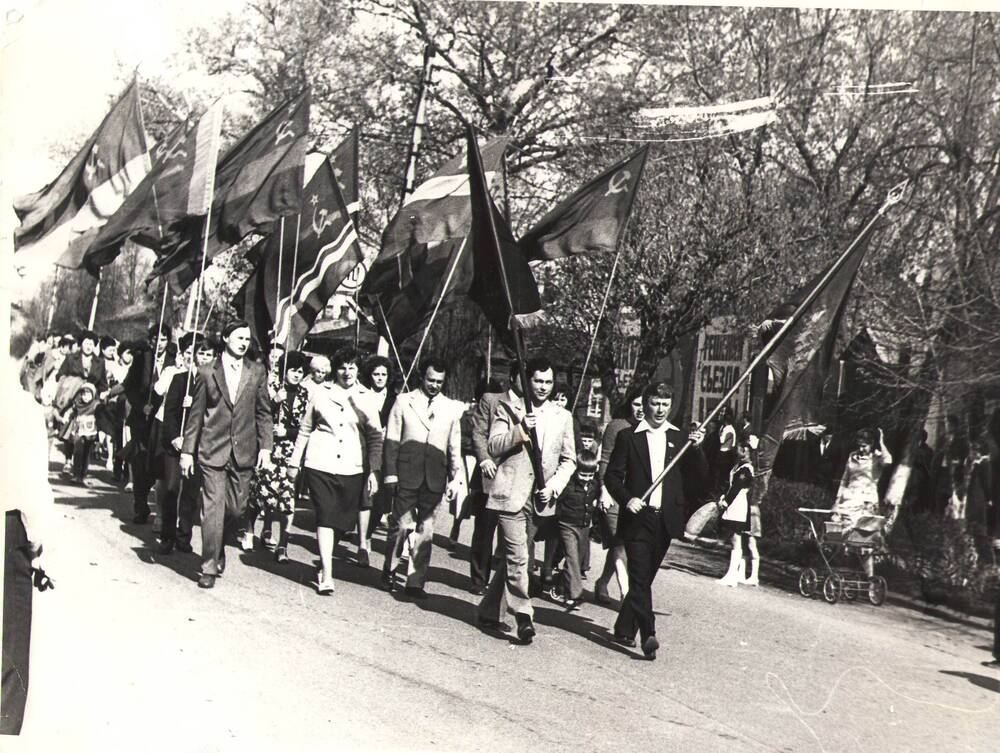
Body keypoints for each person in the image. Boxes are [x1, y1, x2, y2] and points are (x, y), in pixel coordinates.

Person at [477, 357, 576, 644]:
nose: (543, 387)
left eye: (548, 382)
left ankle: (488, 610)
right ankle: (523, 615)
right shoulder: (509, 408)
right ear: (527, 380)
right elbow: (493, 445)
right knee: (519, 556)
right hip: (510, 494)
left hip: (540, 499)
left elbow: (569, 460)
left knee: (515, 557)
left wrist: (555, 487)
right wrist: (519, 431)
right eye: (537, 381)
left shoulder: (563, 416)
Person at [604, 381, 707, 660]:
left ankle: (625, 627)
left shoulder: (680, 437)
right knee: (638, 575)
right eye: (655, 403)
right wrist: (627, 498)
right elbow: (612, 476)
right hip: (638, 517)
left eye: (665, 404)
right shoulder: (629, 437)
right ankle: (648, 633)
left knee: (644, 577)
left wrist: (697, 449)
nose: (660, 409)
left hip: (665, 520)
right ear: (645, 403)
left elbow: (698, 479)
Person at [180, 320, 273, 589]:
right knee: (212, 509)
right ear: (226, 338)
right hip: (212, 450)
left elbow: (264, 413)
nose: (244, 342)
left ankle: (218, 545)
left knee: (236, 509)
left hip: (243, 452)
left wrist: (266, 447)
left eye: (247, 338)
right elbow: (196, 416)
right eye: (239, 337)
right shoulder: (208, 372)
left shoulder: (256, 371)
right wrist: (188, 451)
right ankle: (208, 566)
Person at [288, 348, 382, 594]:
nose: (347, 372)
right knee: (326, 516)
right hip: (320, 463)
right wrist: (294, 462)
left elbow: (375, 438)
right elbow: (305, 429)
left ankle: (326, 558)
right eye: (342, 367)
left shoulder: (366, 398)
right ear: (335, 370)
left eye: (352, 367)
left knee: (342, 520)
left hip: (353, 466)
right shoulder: (320, 393)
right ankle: (327, 574)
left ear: (358, 370)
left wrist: (374, 471)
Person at [1, 358, 54, 736]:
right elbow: (33, 481)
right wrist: (37, 538)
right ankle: (3, 718)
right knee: (12, 628)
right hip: (9, 522)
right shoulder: (24, 410)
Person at [380, 356, 463, 597]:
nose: (434, 385)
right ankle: (390, 568)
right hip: (406, 473)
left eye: (439, 381)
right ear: (421, 377)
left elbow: (453, 445)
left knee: (426, 530)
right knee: (401, 526)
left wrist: (454, 477)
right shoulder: (404, 401)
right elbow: (392, 440)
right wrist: (391, 474)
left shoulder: (450, 408)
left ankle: (415, 581)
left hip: (435, 476)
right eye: (430, 380)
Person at [156, 334, 217, 555]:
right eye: (201, 353)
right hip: (176, 445)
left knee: (191, 494)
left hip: (198, 447)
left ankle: (184, 535)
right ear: (193, 356)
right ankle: (167, 535)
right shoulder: (180, 379)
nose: (204, 357)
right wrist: (175, 437)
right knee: (172, 489)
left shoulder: (215, 384)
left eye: (209, 354)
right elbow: (170, 414)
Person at [247, 350, 311, 562]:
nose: (296, 374)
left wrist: (288, 433)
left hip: (291, 452)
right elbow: (259, 413)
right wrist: (275, 401)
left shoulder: (305, 394)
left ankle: (283, 543)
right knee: (262, 491)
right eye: (293, 370)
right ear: (285, 370)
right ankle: (250, 530)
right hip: (270, 448)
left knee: (286, 498)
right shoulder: (272, 388)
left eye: (300, 371)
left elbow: (306, 426)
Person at [593, 386, 643, 604]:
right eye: (636, 404)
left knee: (620, 542)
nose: (641, 409)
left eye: (644, 404)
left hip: (635, 496)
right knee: (618, 541)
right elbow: (604, 460)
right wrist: (603, 489)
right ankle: (626, 594)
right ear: (629, 404)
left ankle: (602, 582)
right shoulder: (617, 426)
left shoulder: (650, 430)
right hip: (612, 492)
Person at [122, 324, 172, 523]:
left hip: (160, 420)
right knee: (140, 462)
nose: (159, 343)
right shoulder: (142, 358)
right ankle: (140, 505)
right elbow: (129, 387)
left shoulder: (172, 360)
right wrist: (141, 405)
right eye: (155, 339)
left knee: (156, 462)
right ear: (151, 340)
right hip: (142, 419)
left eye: (164, 339)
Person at [830, 428, 892, 578]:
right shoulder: (852, 456)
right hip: (848, 502)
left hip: (866, 504)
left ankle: (870, 578)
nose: (861, 448)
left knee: (864, 543)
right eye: (859, 444)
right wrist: (837, 502)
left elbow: (888, 461)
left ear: (871, 444)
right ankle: (843, 573)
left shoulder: (877, 458)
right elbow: (845, 479)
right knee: (842, 538)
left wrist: (882, 442)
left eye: (864, 445)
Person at [467, 377, 505, 594]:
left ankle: (505, 582)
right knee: (484, 530)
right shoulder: (491, 400)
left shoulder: (534, 407)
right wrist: (484, 458)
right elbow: (478, 433)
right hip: (491, 474)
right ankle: (479, 579)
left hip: (518, 478)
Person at [553, 449, 600, 609]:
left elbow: (598, 498)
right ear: (576, 471)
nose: (587, 479)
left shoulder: (594, 484)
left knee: (575, 561)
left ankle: (561, 586)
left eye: (590, 475)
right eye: (583, 475)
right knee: (572, 558)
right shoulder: (569, 485)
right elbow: (558, 503)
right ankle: (576, 594)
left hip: (584, 526)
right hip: (567, 526)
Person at [717, 432, 761, 587]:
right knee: (734, 539)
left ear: (746, 450)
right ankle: (734, 573)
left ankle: (732, 576)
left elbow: (736, 488)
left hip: (738, 505)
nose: (738, 451)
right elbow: (730, 486)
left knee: (736, 539)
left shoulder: (746, 469)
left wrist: (726, 501)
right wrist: (724, 496)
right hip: (734, 504)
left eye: (741, 448)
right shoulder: (740, 466)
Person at [57, 381, 101, 485]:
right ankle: (76, 475)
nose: (85, 397)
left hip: (90, 433)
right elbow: (70, 411)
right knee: (78, 452)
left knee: (86, 454)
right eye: (83, 394)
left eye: (88, 394)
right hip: (78, 431)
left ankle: (83, 475)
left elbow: (102, 412)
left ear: (93, 395)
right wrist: (66, 416)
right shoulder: (78, 404)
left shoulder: (95, 405)